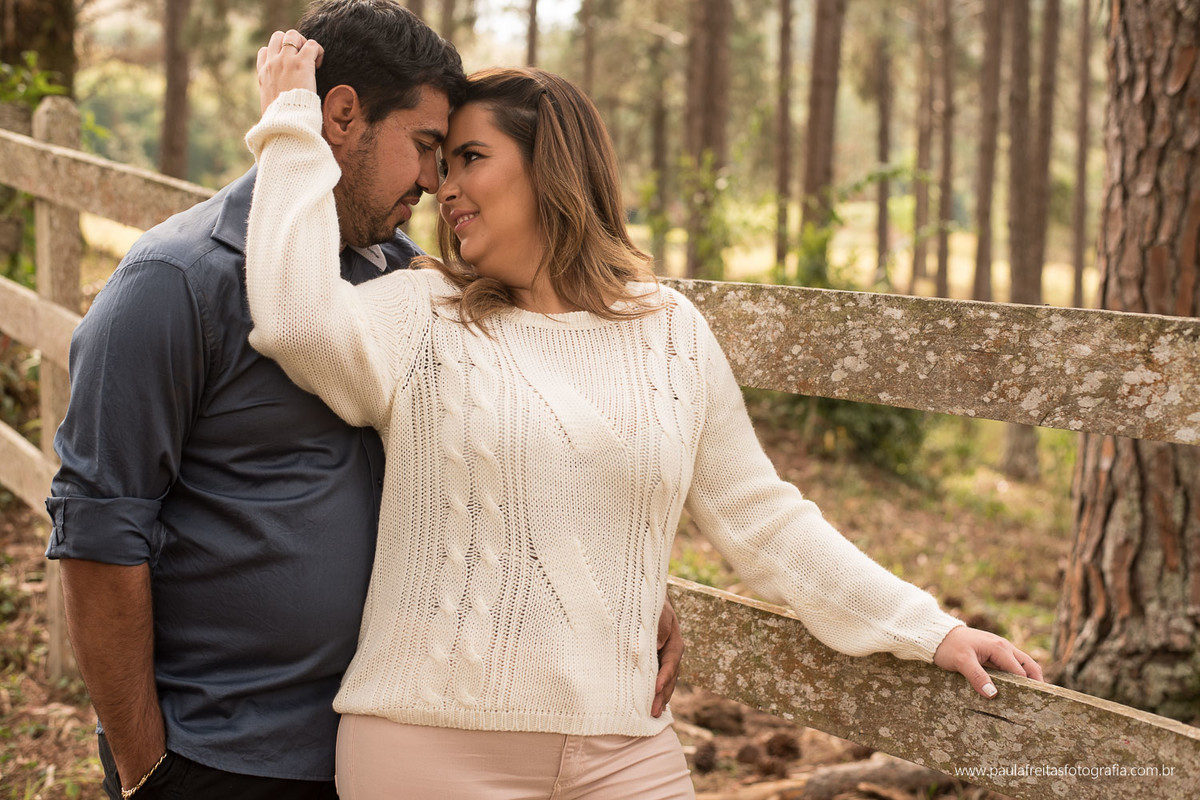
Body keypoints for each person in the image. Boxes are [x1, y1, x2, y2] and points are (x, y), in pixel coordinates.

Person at [245, 34, 1045, 800]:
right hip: (430, 745)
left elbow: (761, 517)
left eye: (471, 160)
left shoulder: (668, 331)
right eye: (441, 164)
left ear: (551, 166)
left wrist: (926, 629)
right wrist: (291, 129)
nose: (443, 188)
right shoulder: (424, 313)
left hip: (625, 746)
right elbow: (295, 320)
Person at [43, 3, 683, 799]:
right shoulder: (174, 284)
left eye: (448, 157)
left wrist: (623, 584)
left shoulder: (416, 285)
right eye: (423, 147)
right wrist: (149, 775)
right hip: (227, 755)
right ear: (340, 115)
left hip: (407, 748)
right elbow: (100, 534)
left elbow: (534, 436)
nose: (433, 181)